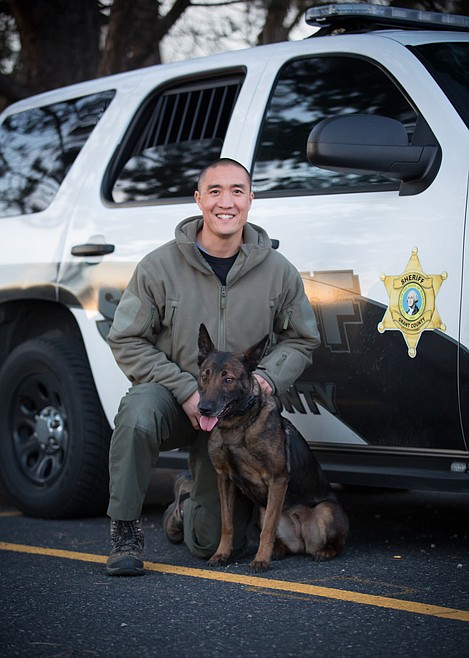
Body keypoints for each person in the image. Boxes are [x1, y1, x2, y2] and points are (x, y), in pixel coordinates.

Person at [105, 157, 321, 576]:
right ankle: (124, 530)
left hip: (237, 416)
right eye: (215, 191)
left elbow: (302, 338)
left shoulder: (279, 272)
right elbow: (126, 338)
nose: (226, 202)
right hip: (175, 399)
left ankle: (185, 501)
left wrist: (268, 377)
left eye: (237, 191)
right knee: (137, 415)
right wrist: (185, 388)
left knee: (211, 544)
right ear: (199, 199)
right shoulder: (158, 266)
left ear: (250, 199)